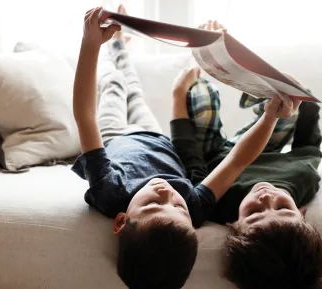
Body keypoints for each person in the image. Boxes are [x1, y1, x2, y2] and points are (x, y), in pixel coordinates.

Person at [71, 7, 298, 289]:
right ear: (191, 220)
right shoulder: (194, 205)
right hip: (153, 134)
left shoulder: (109, 191)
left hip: (113, 134)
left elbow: (85, 117)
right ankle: (121, 48)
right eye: (177, 206)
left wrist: (90, 44)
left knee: (114, 86)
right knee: (134, 87)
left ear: (121, 221)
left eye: (153, 204)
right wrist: (269, 118)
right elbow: (237, 161)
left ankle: (111, 51)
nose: (168, 194)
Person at [179, 20, 322, 289]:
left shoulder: (220, 205)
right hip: (265, 145)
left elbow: (192, 166)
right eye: (282, 207)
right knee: (288, 109)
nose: (266, 197)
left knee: (203, 104)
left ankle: (203, 66)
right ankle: (254, 90)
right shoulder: (303, 179)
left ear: (234, 224)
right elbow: (309, 148)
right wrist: (306, 103)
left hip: (216, 155)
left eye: (255, 211)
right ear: (301, 212)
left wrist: (179, 97)